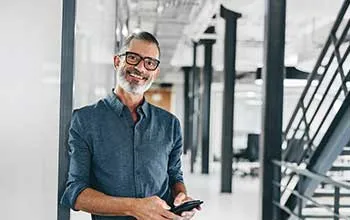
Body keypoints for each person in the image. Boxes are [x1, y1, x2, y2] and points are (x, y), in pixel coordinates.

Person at [60, 31, 199, 220]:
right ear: (118, 61)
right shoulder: (85, 120)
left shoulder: (170, 124)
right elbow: (76, 193)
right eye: (133, 58)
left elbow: (174, 176)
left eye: (150, 62)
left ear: (155, 72)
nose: (141, 68)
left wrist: (181, 197)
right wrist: (133, 207)